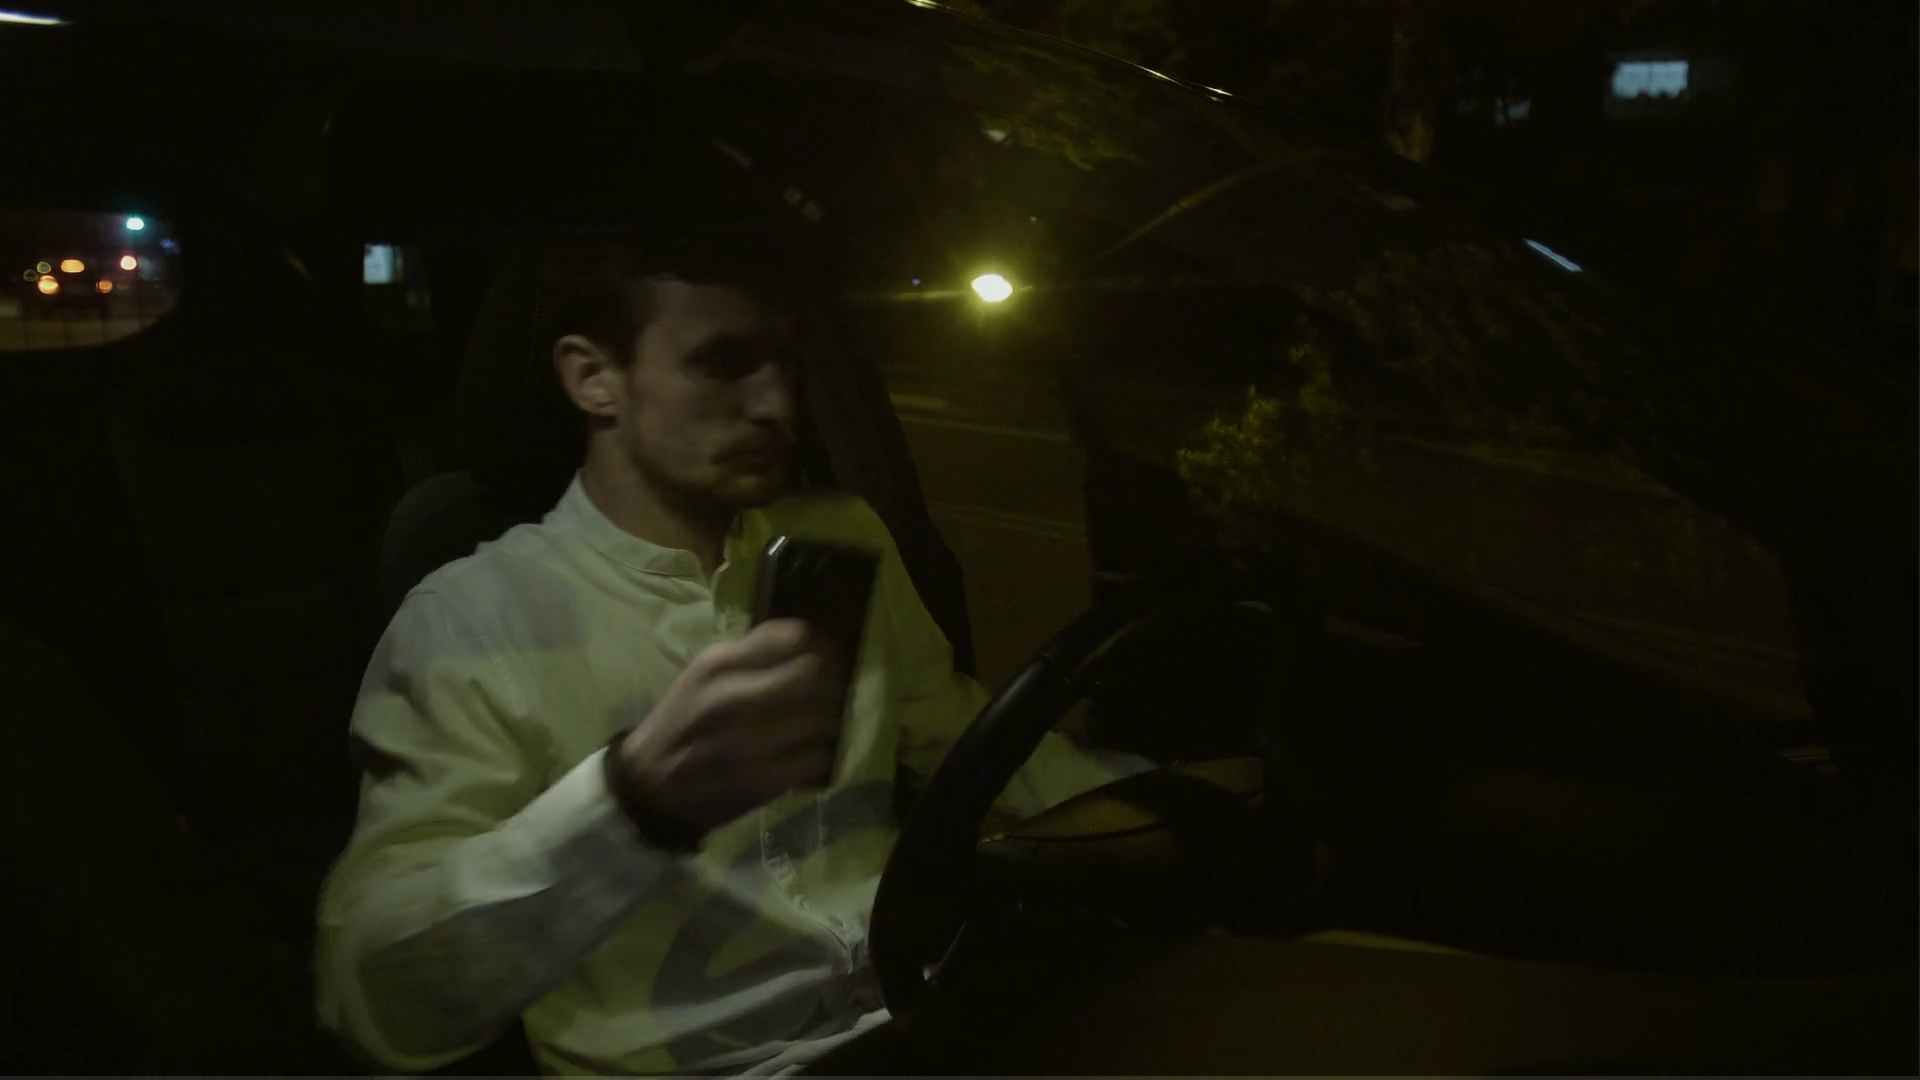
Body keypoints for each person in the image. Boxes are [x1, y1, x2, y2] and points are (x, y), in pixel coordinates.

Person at [315, 241, 1247, 1076]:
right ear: (594, 378)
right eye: (722, 365)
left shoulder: (840, 536)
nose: (778, 407)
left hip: (925, 1015)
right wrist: (631, 799)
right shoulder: (472, 621)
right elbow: (380, 1006)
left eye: (786, 367)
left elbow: (967, 741)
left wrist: (1174, 798)